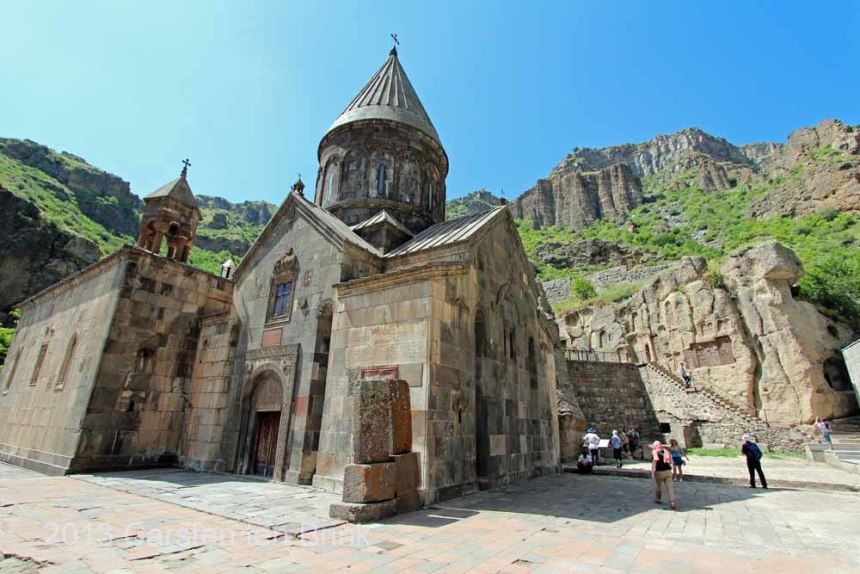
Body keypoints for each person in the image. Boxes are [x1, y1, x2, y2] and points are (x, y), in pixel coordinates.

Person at [651, 441, 677, 509]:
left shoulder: (655, 452)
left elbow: (654, 463)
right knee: (670, 488)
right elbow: (671, 461)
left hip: (659, 472)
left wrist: (652, 473)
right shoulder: (666, 451)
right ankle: (672, 502)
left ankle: (658, 499)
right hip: (668, 471)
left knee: (659, 486)